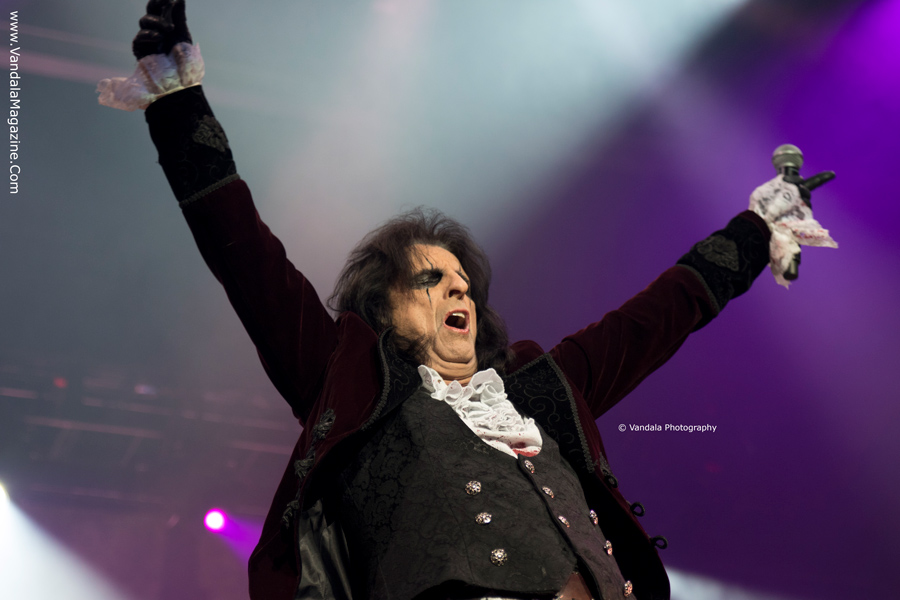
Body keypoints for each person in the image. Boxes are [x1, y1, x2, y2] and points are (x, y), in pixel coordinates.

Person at [99, 2, 837, 599]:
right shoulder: (349, 382)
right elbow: (246, 258)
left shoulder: (540, 391)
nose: (458, 288)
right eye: (429, 279)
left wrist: (757, 229)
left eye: (462, 281)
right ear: (384, 312)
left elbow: (654, 318)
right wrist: (178, 100)